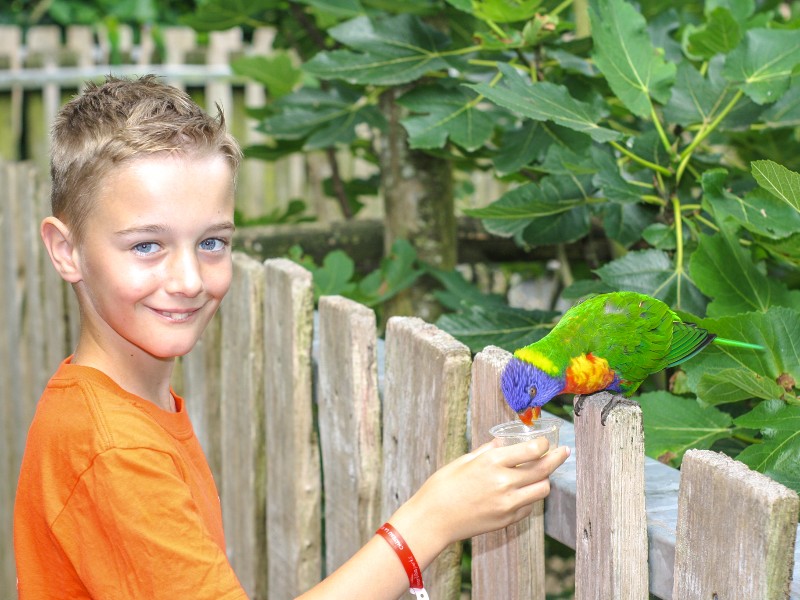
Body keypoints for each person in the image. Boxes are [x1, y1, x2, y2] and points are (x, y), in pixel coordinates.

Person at [14, 75, 570, 599]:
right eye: (146, 246)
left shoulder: (123, 410)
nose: (187, 280)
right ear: (65, 250)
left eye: (212, 242)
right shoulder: (112, 449)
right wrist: (431, 521)